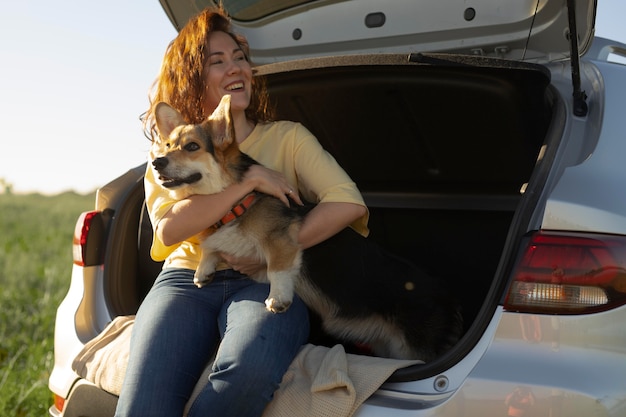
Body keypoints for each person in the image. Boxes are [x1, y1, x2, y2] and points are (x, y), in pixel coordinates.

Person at [115, 5, 369, 417]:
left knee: (245, 375)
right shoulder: (171, 153)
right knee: (143, 403)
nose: (237, 68)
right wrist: (250, 182)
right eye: (218, 62)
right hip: (185, 281)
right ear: (193, 78)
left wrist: (269, 251)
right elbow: (168, 232)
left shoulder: (288, 138)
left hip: (264, 282)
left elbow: (347, 203)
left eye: (240, 58)